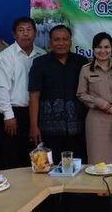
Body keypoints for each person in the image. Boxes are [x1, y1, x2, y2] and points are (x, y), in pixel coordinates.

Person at [28, 25, 86, 162]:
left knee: (77, 167)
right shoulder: (40, 63)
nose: (61, 43)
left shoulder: (81, 62)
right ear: (50, 42)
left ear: (70, 42)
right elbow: (34, 96)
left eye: (65, 39)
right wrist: (33, 126)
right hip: (48, 130)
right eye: (57, 39)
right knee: (49, 168)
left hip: (77, 129)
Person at [0, 17, 45, 168]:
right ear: (14, 34)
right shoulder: (5, 57)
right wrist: (8, 116)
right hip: (14, 114)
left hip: (36, 113)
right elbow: (1, 89)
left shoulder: (42, 55)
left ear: (35, 33)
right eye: (21, 30)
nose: (25, 34)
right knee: (13, 159)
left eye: (29, 30)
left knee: (36, 159)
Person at [76, 32, 112, 164]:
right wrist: (98, 102)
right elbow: (81, 94)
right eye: (99, 47)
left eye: (106, 47)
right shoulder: (86, 69)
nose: (103, 51)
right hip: (95, 120)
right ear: (93, 49)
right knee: (97, 161)